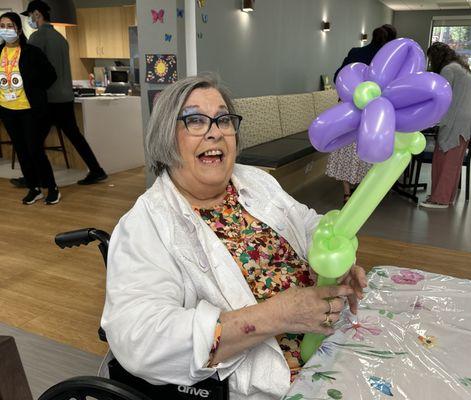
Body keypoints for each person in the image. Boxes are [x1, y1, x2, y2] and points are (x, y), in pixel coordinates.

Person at [100, 75, 367, 399]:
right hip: (274, 378)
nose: (215, 131)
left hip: (327, 337)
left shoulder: (254, 181)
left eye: (223, 119)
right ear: (167, 137)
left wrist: (334, 260)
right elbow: (140, 339)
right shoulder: (144, 225)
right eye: (196, 120)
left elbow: (308, 224)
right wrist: (278, 314)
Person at [17, 0, 107, 187]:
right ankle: (96, 170)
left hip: (49, 98)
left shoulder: (37, 38)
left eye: (30, 16)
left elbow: (33, 70)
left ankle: (32, 178)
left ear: (36, 14)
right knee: (75, 136)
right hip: (65, 96)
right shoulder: (60, 38)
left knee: (33, 142)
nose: (29, 20)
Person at [328, 25, 397, 204]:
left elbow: (338, 77)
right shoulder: (389, 59)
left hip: (349, 108)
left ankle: (347, 193)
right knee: (369, 149)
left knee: (346, 150)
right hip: (374, 112)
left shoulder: (355, 52)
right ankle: (365, 194)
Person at [0, 12, 60, 204]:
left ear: (18, 29)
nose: (6, 29)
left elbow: (51, 75)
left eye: (9, 26)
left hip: (29, 110)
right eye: (2, 25)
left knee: (35, 149)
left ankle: (52, 188)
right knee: (21, 150)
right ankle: (34, 188)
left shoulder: (31, 52)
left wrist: (33, 86)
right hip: (7, 109)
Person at [420, 42, 471, 209]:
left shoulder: (448, 70)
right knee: (452, 163)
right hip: (466, 122)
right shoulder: (461, 68)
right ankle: (446, 197)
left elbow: (442, 97)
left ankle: (440, 199)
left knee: (444, 160)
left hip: (455, 121)